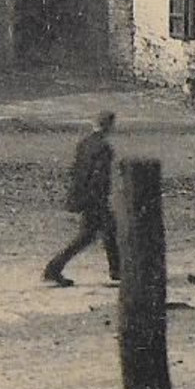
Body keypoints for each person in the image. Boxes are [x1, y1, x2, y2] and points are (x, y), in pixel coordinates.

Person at [43, 111, 120, 287]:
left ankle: (117, 270)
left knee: (108, 232)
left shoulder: (84, 143)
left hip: (83, 196)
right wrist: (102, 198)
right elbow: (100, 177)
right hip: (95, 198)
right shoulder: (104, 148)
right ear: (109, 125)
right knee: (90, 236)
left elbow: (76, 171)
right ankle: (54, 268)